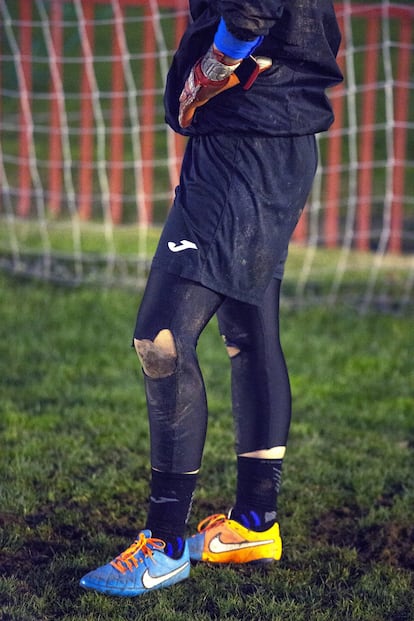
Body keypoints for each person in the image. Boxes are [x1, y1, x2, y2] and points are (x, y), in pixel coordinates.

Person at [80, 0, 343, 597]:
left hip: (247, 138)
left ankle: (164, 544)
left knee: (161, 338)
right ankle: (254, 525)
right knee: (248, 331)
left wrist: (213, 68)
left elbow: (252, 6)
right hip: (270, 133)